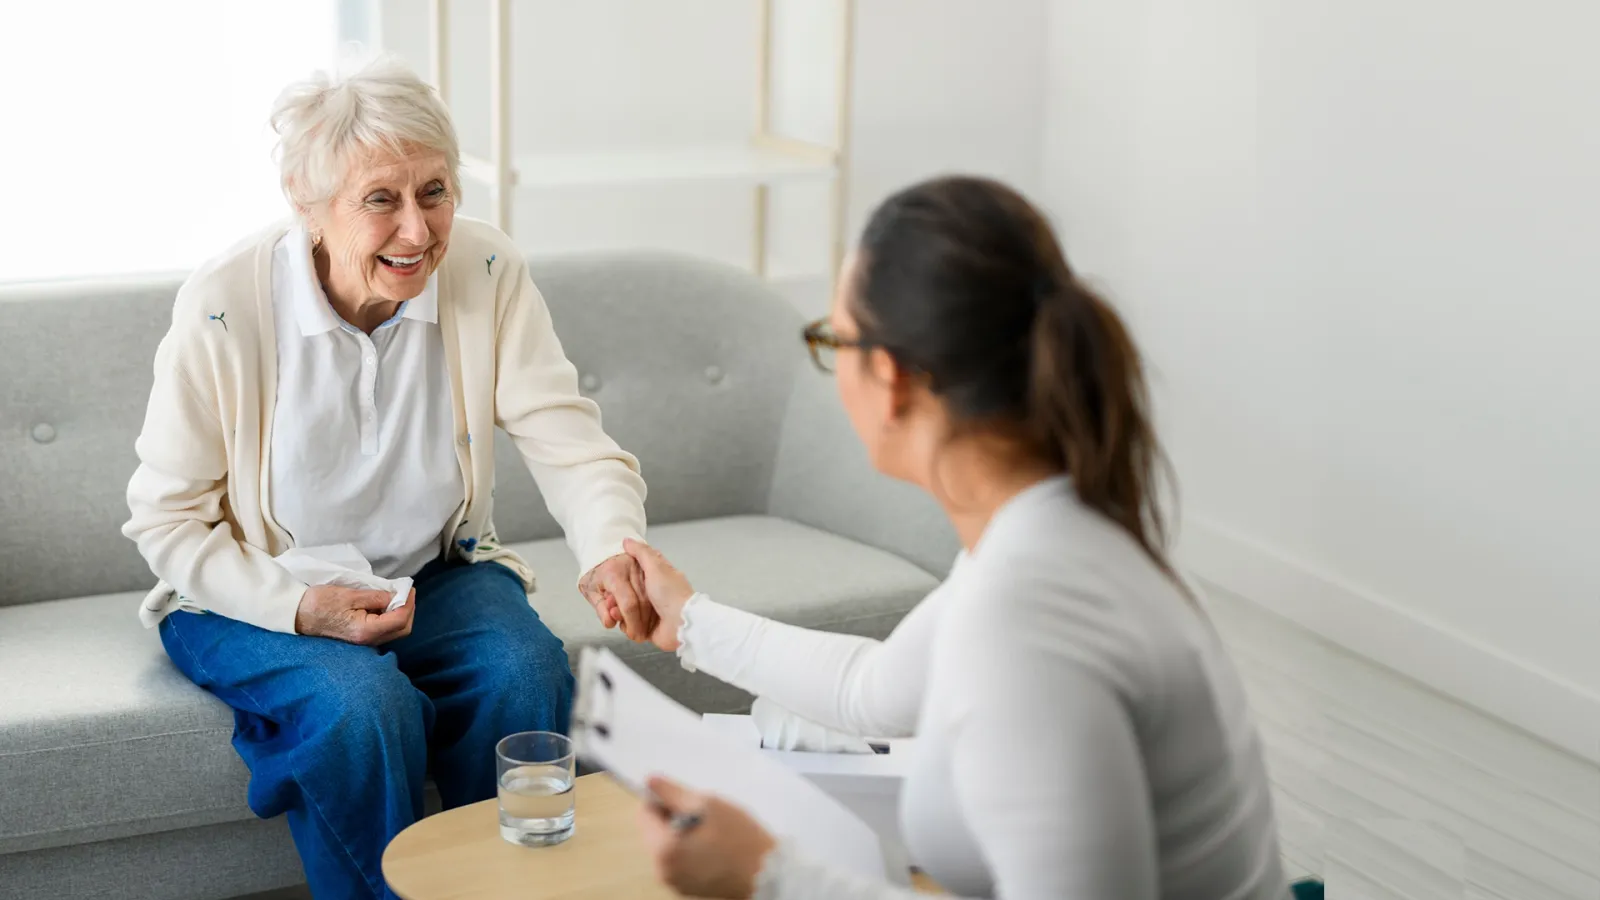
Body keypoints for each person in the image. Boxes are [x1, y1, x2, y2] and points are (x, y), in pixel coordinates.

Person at [620, 176, 1289, 899]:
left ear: (893, 378)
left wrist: (769, 876)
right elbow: (869, 690)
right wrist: (689, 622)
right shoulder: (1044, 534)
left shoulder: (1027, 617)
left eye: (833, 340)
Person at [122, 56, 654, 899]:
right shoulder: (226, 304)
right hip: (250, 593)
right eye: (381, 199)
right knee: (362, 709)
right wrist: (299, 606)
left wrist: (610, 547)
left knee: (526, 671)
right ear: (309, 206)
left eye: (435, 192)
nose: (418, 232)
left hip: (429, 575)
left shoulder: (485, 271)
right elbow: (164, 522)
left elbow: (569, 439)